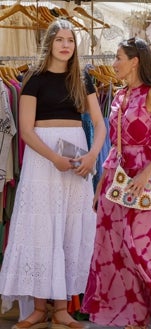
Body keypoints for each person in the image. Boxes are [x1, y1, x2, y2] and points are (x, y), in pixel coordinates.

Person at [0, 18, 106, 329]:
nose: (65, 45)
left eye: (70, 41)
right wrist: (53, 158)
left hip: (76, 155)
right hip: (43, 157)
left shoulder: (83, 78)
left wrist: (92, 155)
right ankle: (37, 309)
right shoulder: (34, 78)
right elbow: (26, 130)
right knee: (40, 227)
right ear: (50, 44)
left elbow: (100, 124)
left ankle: (62, 310)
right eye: (60, 40)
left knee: (70, 227)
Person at [81, 37, 151, 329]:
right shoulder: (119, 95)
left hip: (145, 179)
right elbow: (114, 146)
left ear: (135, 61)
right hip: (116, 178)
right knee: (119, 248)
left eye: (118, 57)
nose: (114, 64)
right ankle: (133, 315)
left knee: (150, 245)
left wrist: (146, 174)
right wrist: (100, 186)